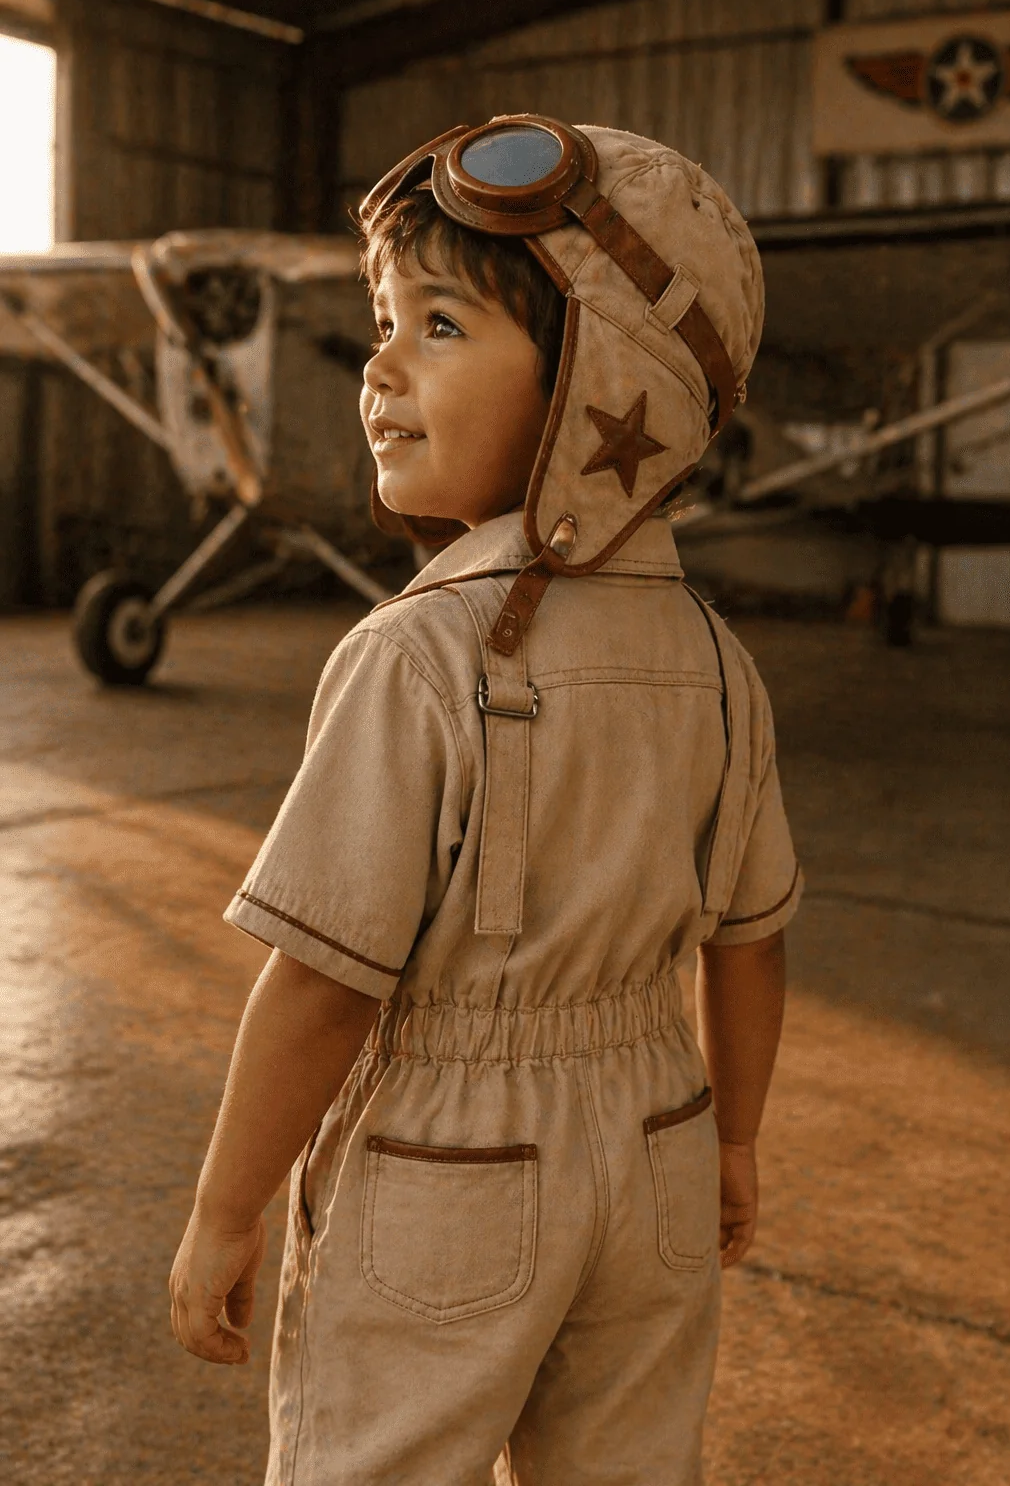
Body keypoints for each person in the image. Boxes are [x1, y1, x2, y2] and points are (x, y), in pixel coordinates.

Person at [169, 117, 803, 1485]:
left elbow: (323, 982)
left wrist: (227, 1212)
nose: (380, 370)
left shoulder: (411, 656)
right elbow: (751, 940)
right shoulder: (719, 663)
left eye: (441, 327)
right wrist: (734, 1141)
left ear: (598, 389)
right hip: (662, 1144)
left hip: (446, 1163)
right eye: (384, 324)